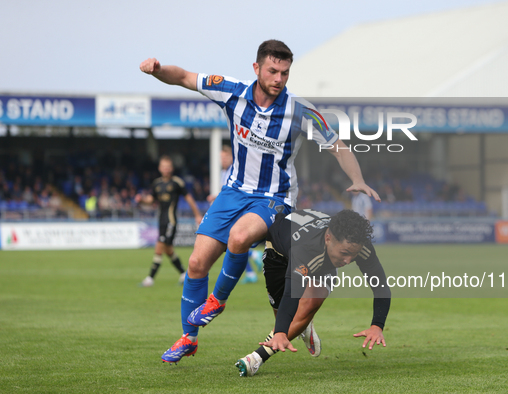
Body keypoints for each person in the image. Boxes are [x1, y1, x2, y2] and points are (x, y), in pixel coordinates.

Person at [140, 39, 380, 364]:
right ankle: (189, 338)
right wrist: (157, 71)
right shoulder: (232, 92)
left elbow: (336, 144)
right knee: (197, 264)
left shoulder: (299, 110)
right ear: (257, 68)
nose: (279, 78)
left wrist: (358, 179)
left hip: (275, 198)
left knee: (240, 237)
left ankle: (218, 301)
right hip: (232, 192)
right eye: (272, 70)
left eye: (284, 72)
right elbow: (183, 76)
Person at [235, 209, 391, 377]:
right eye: (345, 254)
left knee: (309, 304)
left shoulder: (357, 245)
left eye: (353, 255)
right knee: (284, 314)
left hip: (321, 259)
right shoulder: (306, 250)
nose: (348, 261)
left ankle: (256, 358)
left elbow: (381, 285)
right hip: (278, 253)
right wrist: (280, 331)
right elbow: (291, 294)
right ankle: (304, 324)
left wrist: (377, 325)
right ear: (328, 238)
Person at [135, 155, 202, 287]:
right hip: (161, 220)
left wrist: (197, 214)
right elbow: (150, 200)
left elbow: (189, 198)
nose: (166, 169)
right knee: (168, 250)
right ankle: (184, 274)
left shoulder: (177, 182)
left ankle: (150, 278)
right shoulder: (157, 184)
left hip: (171, 220)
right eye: (163, 166)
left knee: (159, 246)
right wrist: (141, 200)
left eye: (168, 166)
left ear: (171, 168)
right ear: (160, 168)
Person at [207, 145, 263, 284]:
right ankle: (250, 272)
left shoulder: (235, 170)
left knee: (229, 241)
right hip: (230, 208)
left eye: (225, 157)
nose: (223, 160)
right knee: (233, 244)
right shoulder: (223, 172)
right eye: (221, 157)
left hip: (236, 209)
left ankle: (254, 254)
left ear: (232, 158)